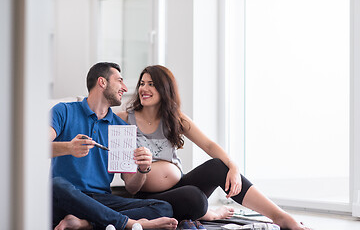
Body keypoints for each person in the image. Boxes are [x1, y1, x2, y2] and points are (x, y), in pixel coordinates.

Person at [117, 65, 311, 230]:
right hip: (147, 196)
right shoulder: (125, 119)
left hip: (179, 186)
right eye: (142, 83)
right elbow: (129, 182)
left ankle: (279, 216)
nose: (144, 88)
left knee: (218, 166)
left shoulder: (175, 119)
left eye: (151, 84)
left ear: (164, 89)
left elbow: (209, 145)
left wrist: (233, 166)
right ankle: (207, 213)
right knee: (194, 198)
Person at [51, 62, 178, 230]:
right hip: (65, 197)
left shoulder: (121, 128)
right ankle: (127, 224)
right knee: (56, 184)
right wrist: (69, 147)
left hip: (100, 199)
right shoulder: (63, 111)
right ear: (102, 82)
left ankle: (85, 224)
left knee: (163, 208)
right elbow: (35, 148)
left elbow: (131, 186)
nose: (125, 88)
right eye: (119, 80)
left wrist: (142, 169)